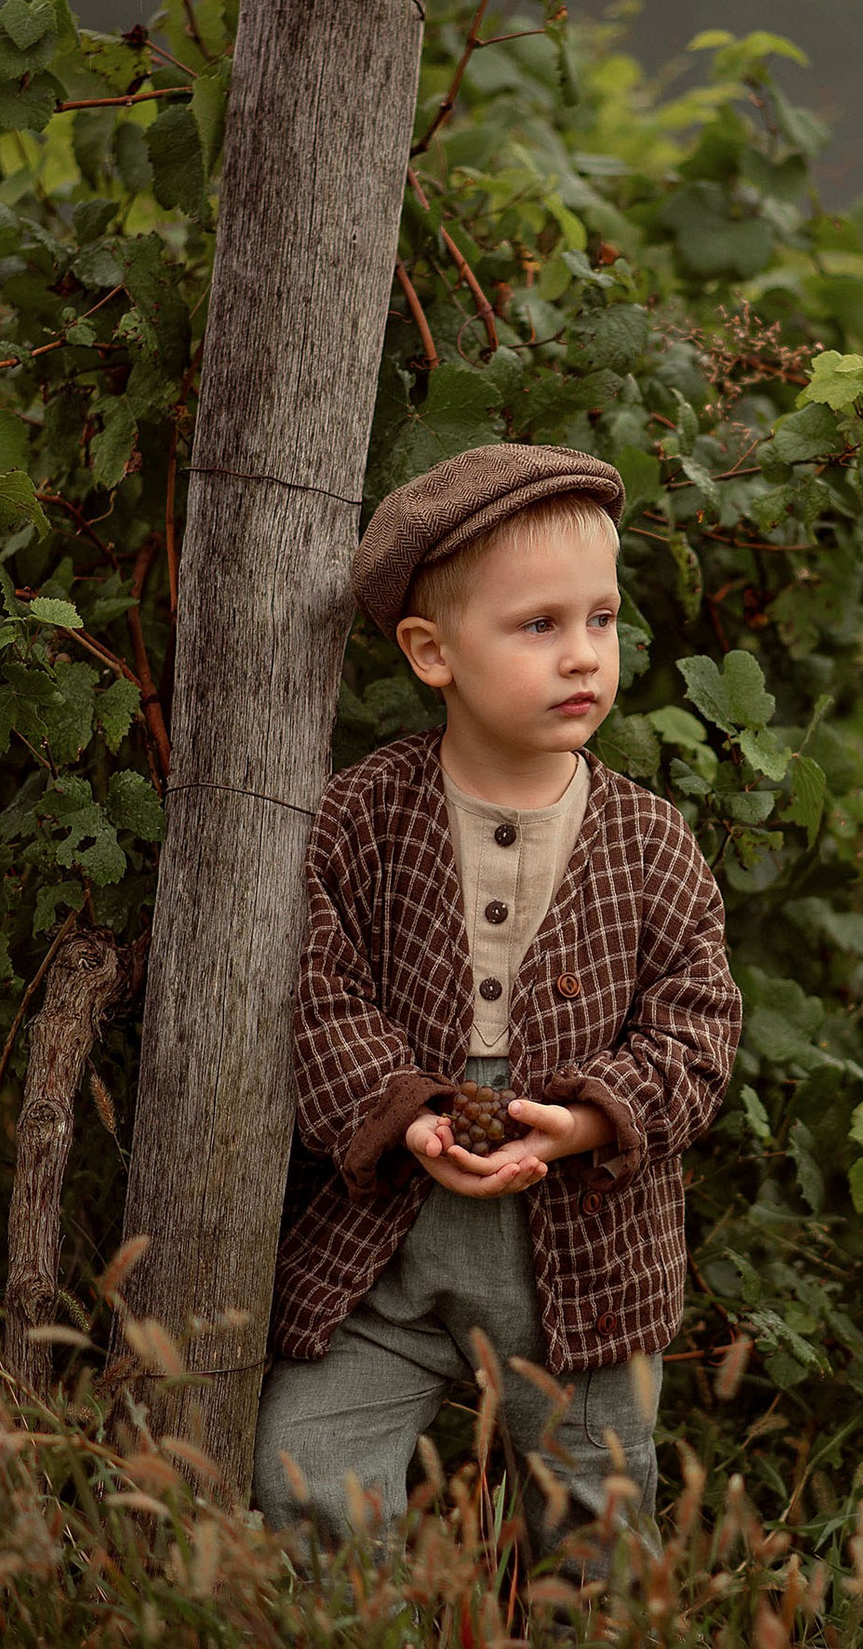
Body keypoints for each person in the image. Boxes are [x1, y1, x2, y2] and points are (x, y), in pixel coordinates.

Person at [250, 443, 743, 1581]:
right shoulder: (365, 816)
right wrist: (407, 1113)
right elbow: (320, 993)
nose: (583, 655)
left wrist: (592, 1115)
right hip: (388, 1259)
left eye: (603, 619)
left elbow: (699, 1027)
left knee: (599, 1530)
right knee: (305, 1472)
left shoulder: (649, 838)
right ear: (432, 652)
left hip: (588, 1272)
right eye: (538, 626)